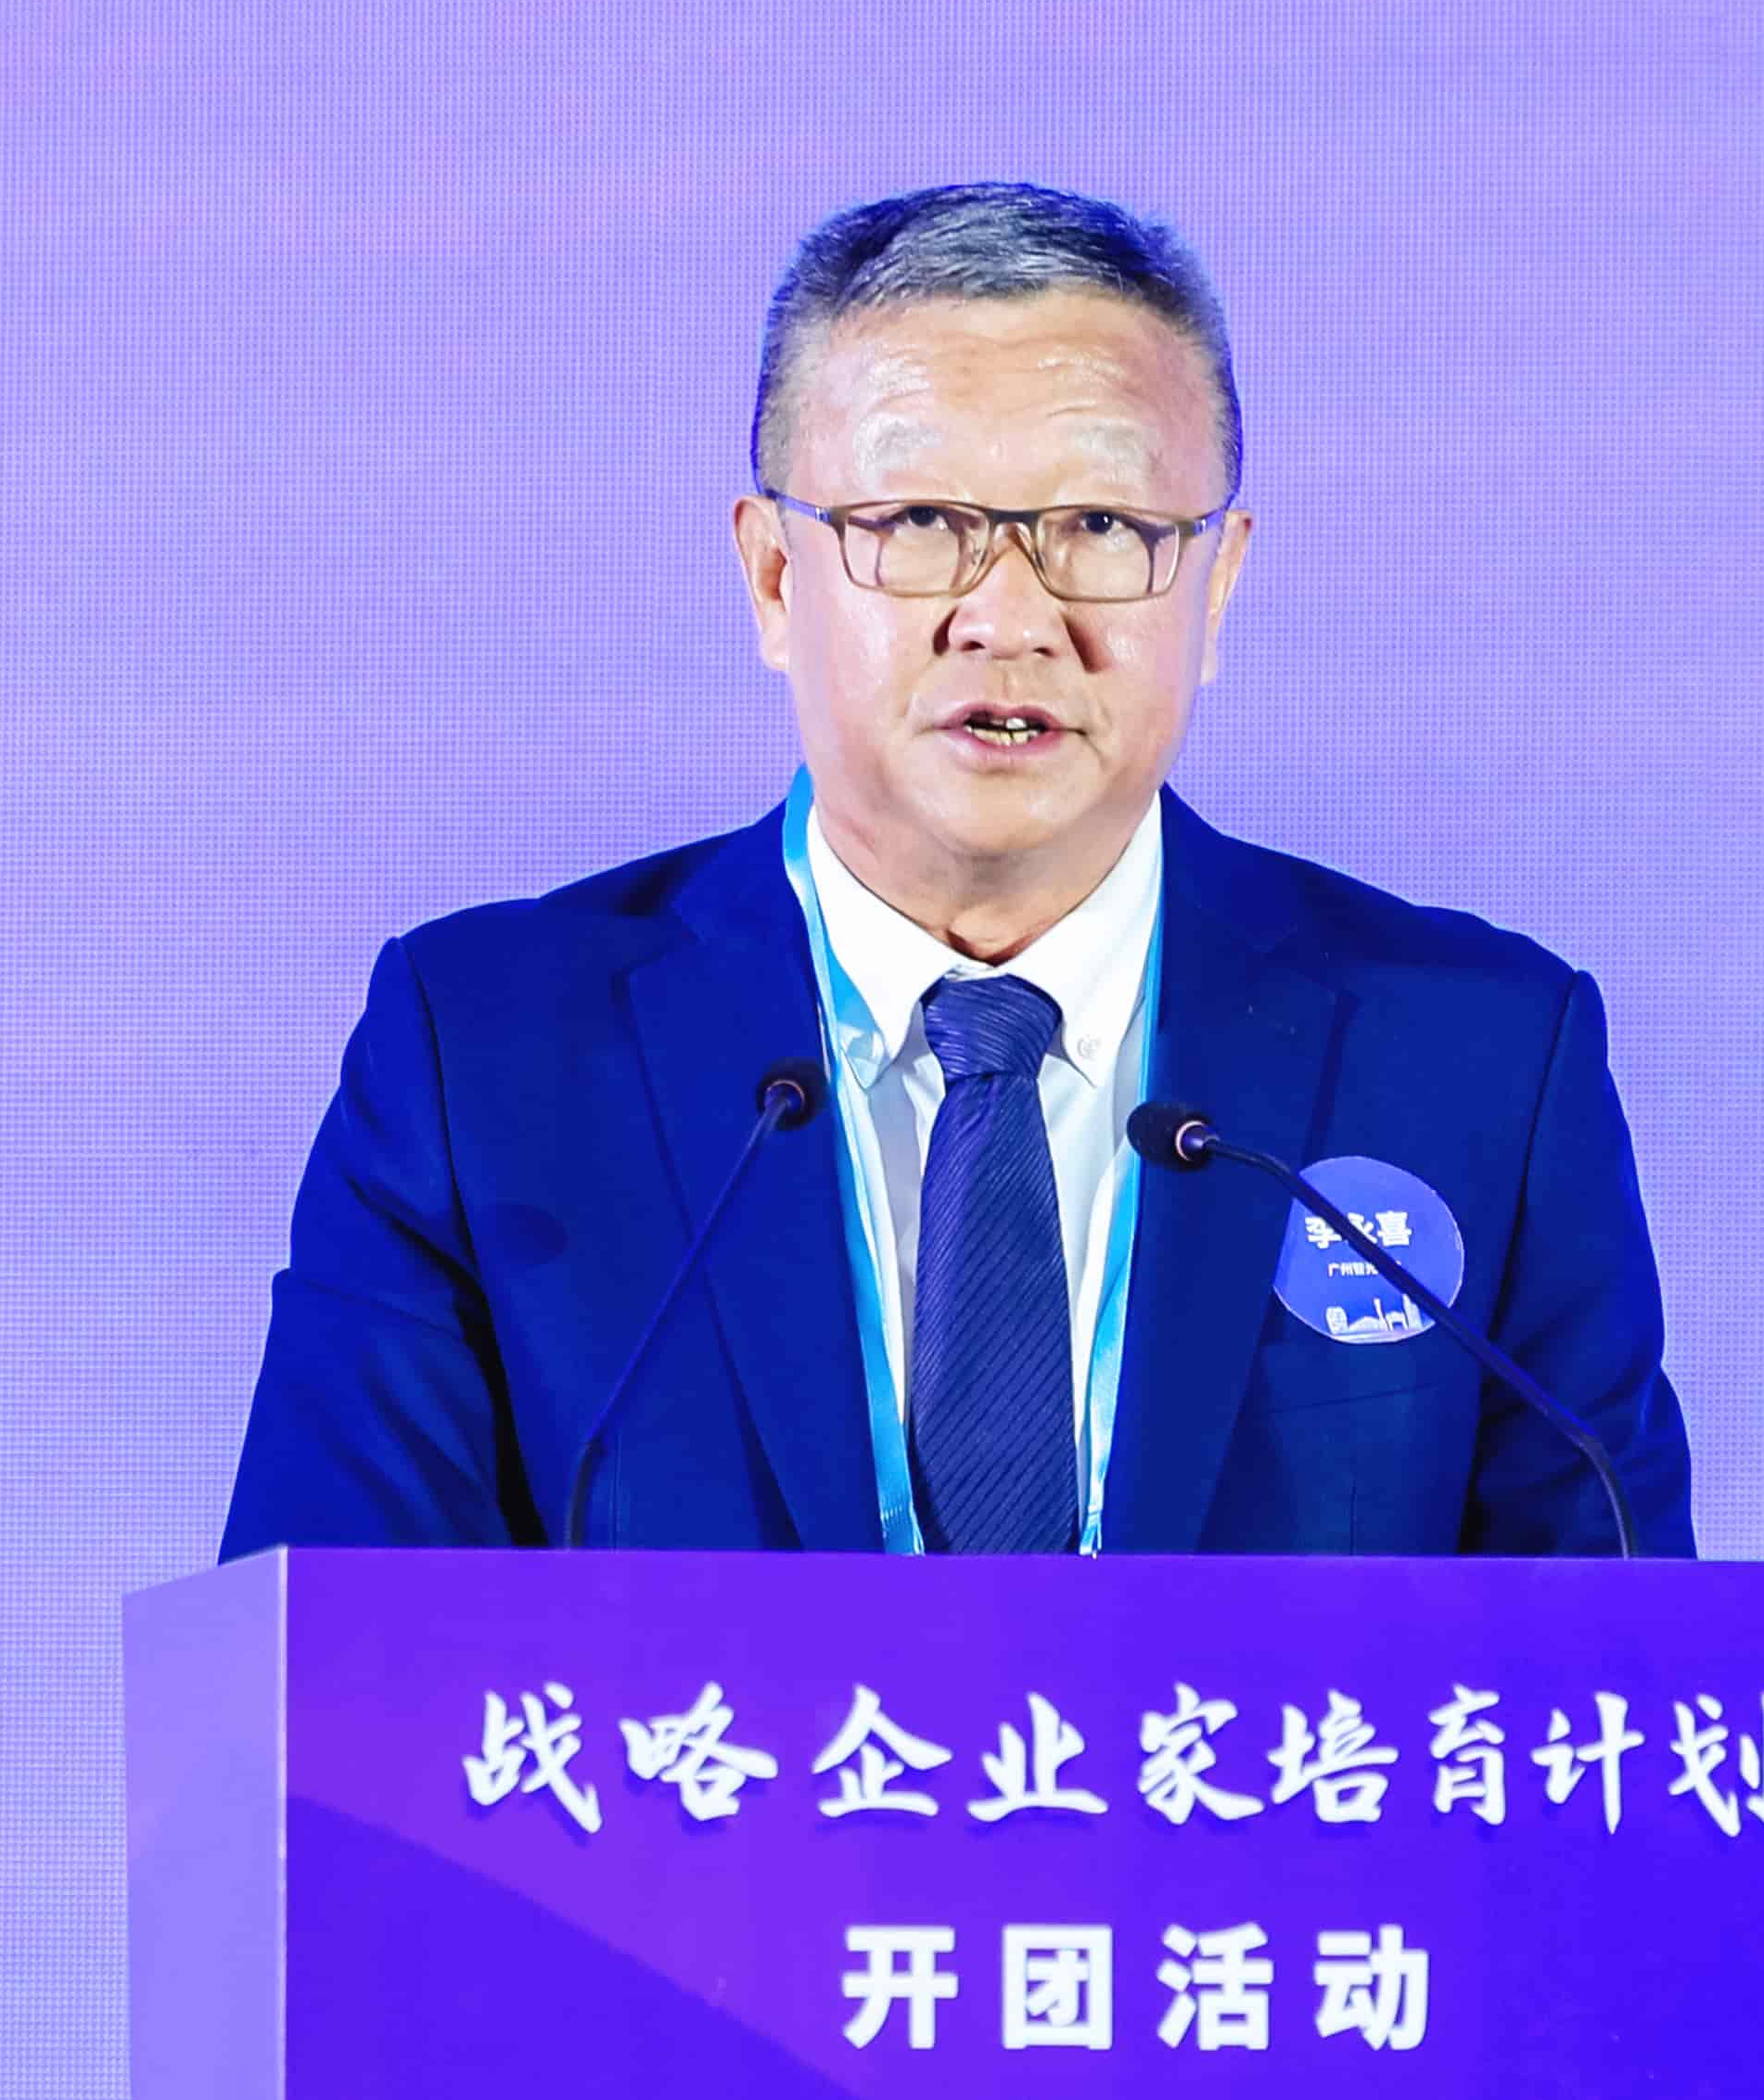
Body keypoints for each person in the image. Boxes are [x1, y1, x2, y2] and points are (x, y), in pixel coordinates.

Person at [222, 182, 1689, 1558]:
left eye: (1102, 528)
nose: (1010, 615)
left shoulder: (1479, 1061)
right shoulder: (488, 1060)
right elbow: (319, 1669)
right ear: (774, 578)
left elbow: (1628, 1673)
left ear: (1217, 581)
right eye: (919, 524)